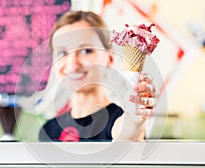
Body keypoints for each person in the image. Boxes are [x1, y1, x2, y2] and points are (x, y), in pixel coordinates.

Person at [38, 10, 157, 142]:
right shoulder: (48, 130)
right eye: (62, 53)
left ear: (110, 58)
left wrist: (133, 120)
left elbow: (126, 135)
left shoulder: (117, 121)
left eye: (86, 51)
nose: (72, 64)